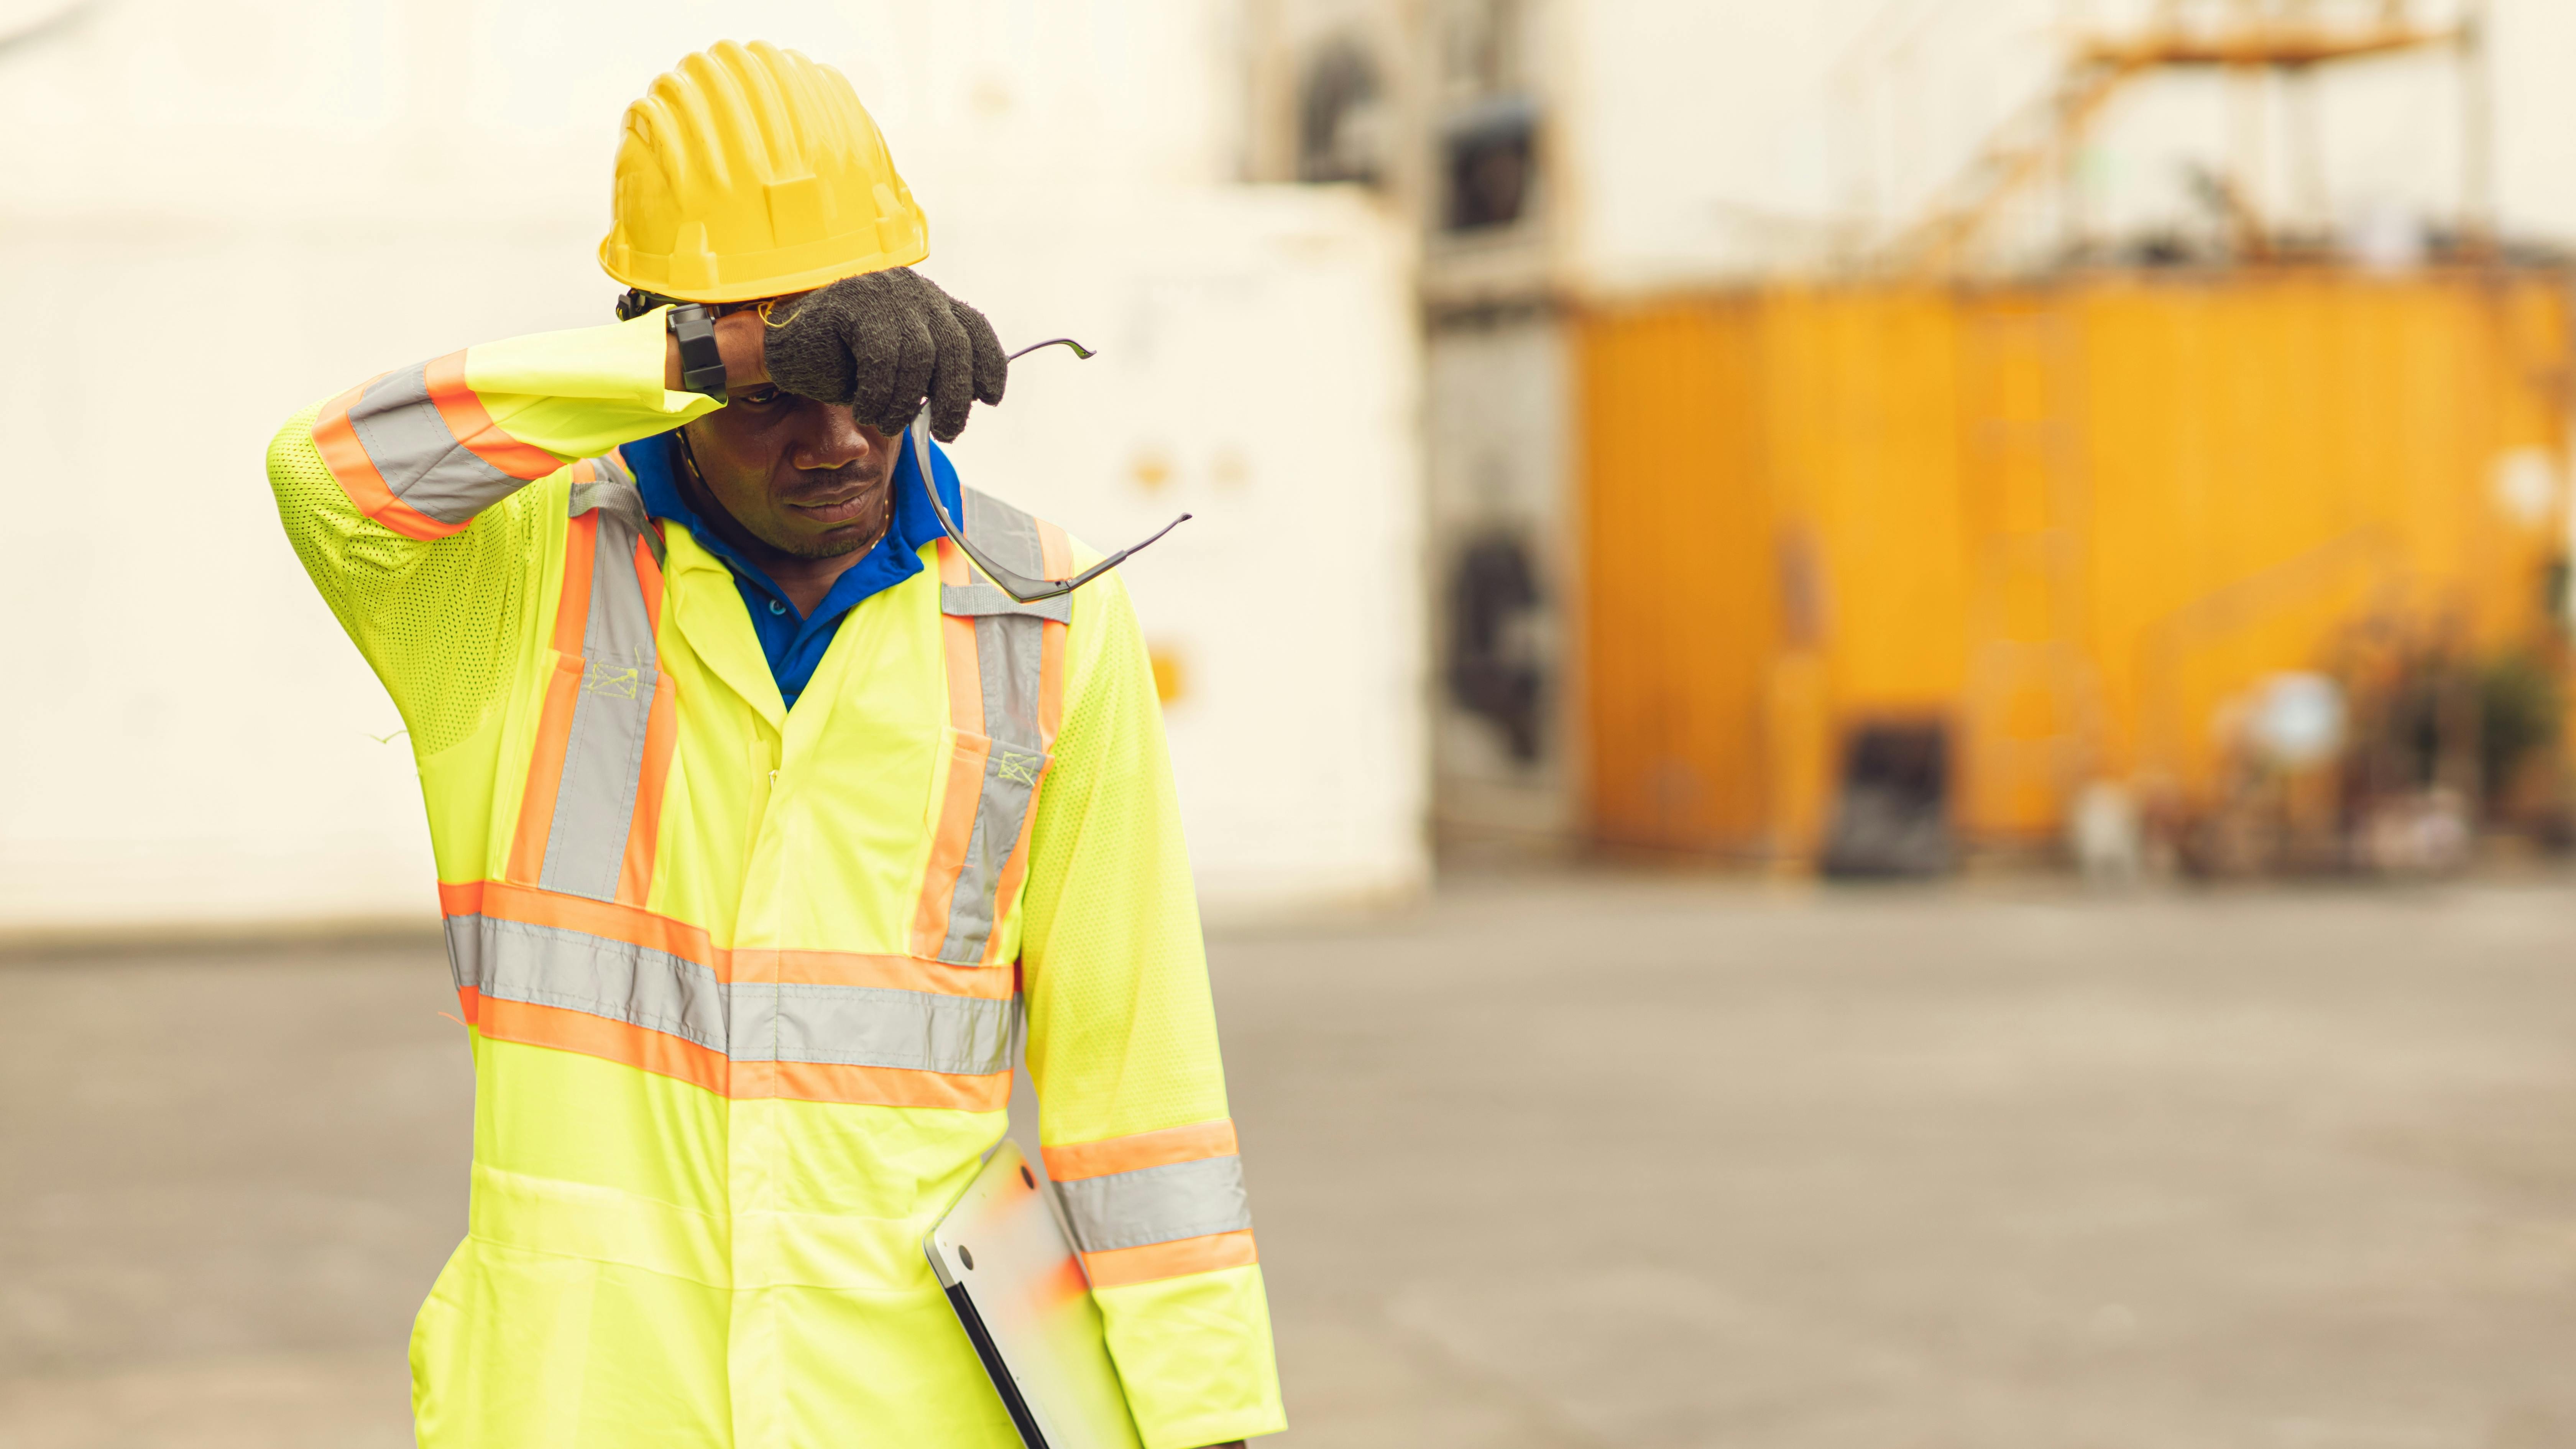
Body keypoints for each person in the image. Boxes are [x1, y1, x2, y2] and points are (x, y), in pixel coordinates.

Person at [266, 39, 1280, 1449]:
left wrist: (1206, 1418)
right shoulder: (517, 586)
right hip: (590, 1403)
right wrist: (707, 352)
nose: (837, 438)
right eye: (773, 390)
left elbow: (1141, 1075)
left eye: (862, 371)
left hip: (915, 1413)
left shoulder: (1040, 616)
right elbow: (324, 474)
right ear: (658, 351)